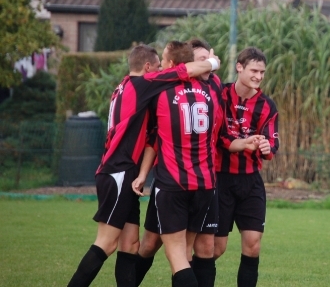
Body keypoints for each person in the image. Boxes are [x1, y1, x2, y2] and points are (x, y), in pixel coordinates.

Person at [67, 44, 219, 287]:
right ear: (147, 68)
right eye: (157, 67)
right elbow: (185, 70)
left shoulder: (124, 86)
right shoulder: (143, 84)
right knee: (106, 243)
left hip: (126, 173)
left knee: (130, 246)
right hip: (118, 172)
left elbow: (150, 136)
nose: (159, 72)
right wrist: (213, 63)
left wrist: (142, 173)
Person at [145, 41, 262, 287]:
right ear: (188, 64)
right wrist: (211, 63)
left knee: (188, 252)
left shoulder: (211, 87)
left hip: (191, 181)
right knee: (151, 245)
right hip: (187, 179)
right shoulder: (190, 87)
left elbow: (220, 134)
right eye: (198, 60)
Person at [212, 47, 279, 287]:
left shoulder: (267, 106)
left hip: (250, 181)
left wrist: (265, 147)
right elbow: (216, 136)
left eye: (262, 72)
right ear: (239, 67)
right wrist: (241, 144)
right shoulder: (219, 94)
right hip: (220, 180)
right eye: (254, 70)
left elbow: (273, 143)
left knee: (252, 245)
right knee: (215, 249)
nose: (259, 76)